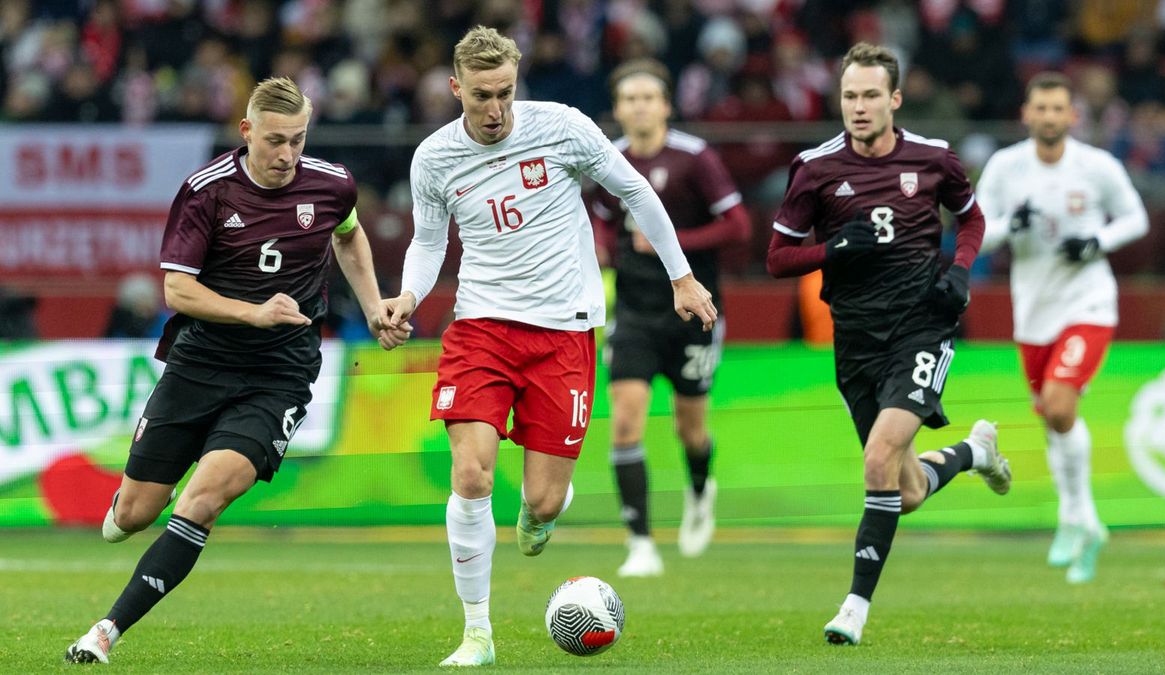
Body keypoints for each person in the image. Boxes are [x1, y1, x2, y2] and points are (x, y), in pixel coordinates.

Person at [380, 27, 718, 667]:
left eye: (506, 92)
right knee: (471, 471)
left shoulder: (561, 126)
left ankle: (539, 519)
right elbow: (429, 243)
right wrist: (408, 297)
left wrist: (681, 275)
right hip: (480, 326)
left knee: (543, 498)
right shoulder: (435, 158)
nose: (497, 108)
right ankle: (477, 633)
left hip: (564, 330)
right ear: (457, 89)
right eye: (482, 95)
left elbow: (634, 190)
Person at [65, 77, 400, 664]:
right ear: (246, 131)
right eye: (275, 141)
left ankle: (105, 631)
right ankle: (128, 503)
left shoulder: (332, 185)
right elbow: (177, 290)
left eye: (298, 140)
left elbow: (349, 237)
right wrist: (254, 312)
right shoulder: (207, 191)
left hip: (280, 375)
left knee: (203, 501)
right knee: (136, 515)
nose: (287, 155)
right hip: (200, 364)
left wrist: (374, 308)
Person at [765, 42, 1013, 646]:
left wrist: (959, 271)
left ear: (894, 99)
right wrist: (832, 251)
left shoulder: (934, 159)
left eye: (871, 95)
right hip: (856, 339)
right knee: (903, 492)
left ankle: (853, 606)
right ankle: (973, 454)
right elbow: (776, 259)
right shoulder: (815, 169)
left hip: (922, 326)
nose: (858, 106)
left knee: (876, 460)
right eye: (849, 95)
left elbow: (973, 218)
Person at [976, 72, 1148, 584]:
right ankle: (1087, 522)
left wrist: (1096, 242)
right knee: (1054, 420)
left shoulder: (1096, 166)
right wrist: (1011, 227)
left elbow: (1135, 218)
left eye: (1059, 109)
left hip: (1088, 302)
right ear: (1025, 114)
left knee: (1059, 403)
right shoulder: (1005, 167)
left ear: (1074, 116)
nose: (1050, 117)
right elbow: (977, 232)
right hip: (1033, 311)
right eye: (1041, 108)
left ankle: (1072, 517)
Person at [590, 58, 751, 577]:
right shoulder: (606, 160)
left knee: (690, 429)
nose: (638, 106)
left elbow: (738, 225)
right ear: (617, 109)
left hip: (694, 312)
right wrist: (602, 248)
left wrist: (673, 245)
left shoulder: (694, 157)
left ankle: (701, 489)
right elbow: (595, 218)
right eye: (629, 98)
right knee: (625, 424)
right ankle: (640, 543)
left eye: (648, 97)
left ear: (665, 106)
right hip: (634, 311)